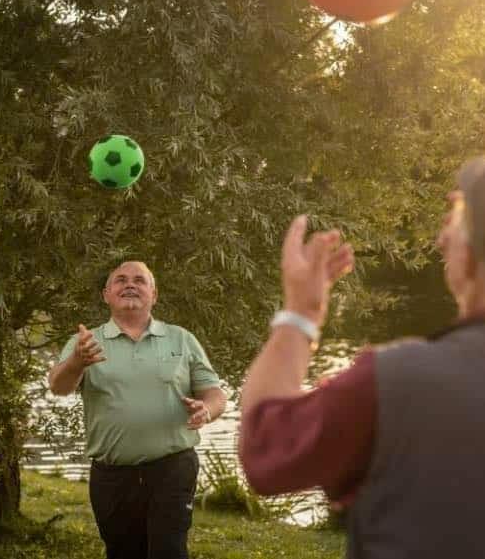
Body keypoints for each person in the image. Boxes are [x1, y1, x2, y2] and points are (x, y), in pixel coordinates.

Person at [238, 158, 485, 558]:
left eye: (455, 222)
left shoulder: (396, 381)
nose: (441, 241)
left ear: (473, 252)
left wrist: (299, 314)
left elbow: (266, 447)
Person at [48, 261, 227, 559]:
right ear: (106, 294)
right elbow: (58, 387)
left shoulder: (181, 339)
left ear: (154, 295)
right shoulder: (84, 342)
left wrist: (206, 409)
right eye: (120, 280)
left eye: (139, 280)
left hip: (172, 468)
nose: (129, 284)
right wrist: (77, 362)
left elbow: (215, 394)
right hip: (112, 475)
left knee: (168, 551)